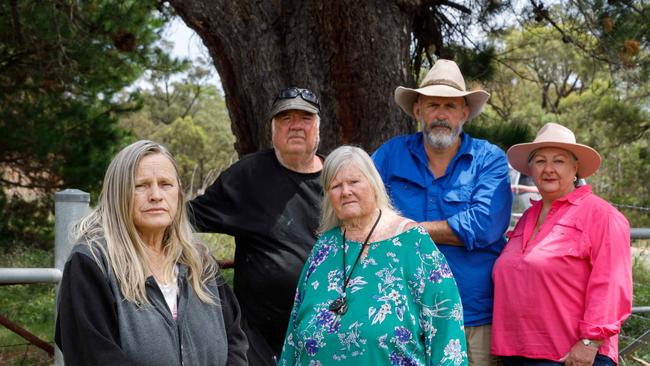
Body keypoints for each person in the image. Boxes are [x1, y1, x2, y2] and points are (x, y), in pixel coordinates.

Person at [55, 140, 248, 366]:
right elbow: (93, 356)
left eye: (166, 184)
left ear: (178, 193)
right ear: (118, 194)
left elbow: (235, 340)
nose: (156, 195)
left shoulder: (199, 261)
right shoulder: (93, 263)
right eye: (141, 185)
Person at [372, 59, 512, 365]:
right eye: (433, 105)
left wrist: (407, 230)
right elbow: (363, 211)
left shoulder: (489, 160)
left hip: (474, 316)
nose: (441, 114)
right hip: (402, 313)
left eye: (450, 106)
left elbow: (484, 225)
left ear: (464, 113)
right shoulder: (389, 155)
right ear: (417, 110)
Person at [280, 145, 468, 365]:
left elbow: (447, 332)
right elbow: (294, 330)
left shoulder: (413, 244)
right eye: (336, 185)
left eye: (354, 182)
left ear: (374, 183)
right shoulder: (325, 247)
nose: (346, 191)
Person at [188, 87, 323, 365]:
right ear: (272, 130)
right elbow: (185, 218)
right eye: (285, 118)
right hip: (258, 340)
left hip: (326, 331)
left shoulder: (339, 177)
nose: (296, 125)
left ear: (318, 127)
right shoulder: (247, 176)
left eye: (305, 118)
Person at [491, 122, 632, 366]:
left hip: (571, 356)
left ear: (575, 168)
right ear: (530, 169)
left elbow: (611, 285)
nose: (548, 169)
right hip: (516, 353)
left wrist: (589, 343)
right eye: (540, 161)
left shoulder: (601, 216)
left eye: (558, 161)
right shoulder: (527, 218)